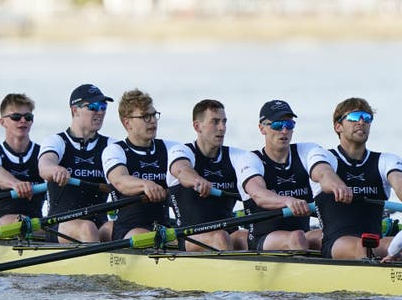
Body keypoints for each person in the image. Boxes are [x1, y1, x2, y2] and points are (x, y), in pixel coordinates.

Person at [315, 97, 402, 259]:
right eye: (355, 118)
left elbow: (399, 180)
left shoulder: (385, 160)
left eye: (367, 118)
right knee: (361, 248)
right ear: (338, 126)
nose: (361, 122)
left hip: (374, 241)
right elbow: (324, 174)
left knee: (401, 246)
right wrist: (338, 187)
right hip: (336, 243)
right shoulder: (324, 157)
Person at [235, 100, 340, 253]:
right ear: (262, 128)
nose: (284, 131)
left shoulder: (306, 151)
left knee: (334, 236)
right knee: (296, 238)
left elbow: (322, 171)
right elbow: (259, 195)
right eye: (277, 125)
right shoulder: (250, 159)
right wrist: (288, 201)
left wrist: (335, 185)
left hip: (302, 235)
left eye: (289, 125)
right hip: (263, 239)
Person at [167, 99, 249, 251]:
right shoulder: (182, 151)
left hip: (228, 233)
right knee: (220, 238)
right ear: (197, 126)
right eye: (215, 122)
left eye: (224, 122)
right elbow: (182, 170)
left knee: (248, 237)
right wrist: (197, 180)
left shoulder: (237, 156)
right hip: (189, 236)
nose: (222, 128)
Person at [37, 84, 115, 243]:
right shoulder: (57, 141)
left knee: (117, 227)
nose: (100, 112)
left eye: (103, 106)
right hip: (59, 225)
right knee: (87, 228)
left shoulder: (111, 146)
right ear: (75, 110)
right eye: (93, 107)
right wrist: (56, 170)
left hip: (99, 224)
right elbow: (44, 166)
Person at [103, 89, 180, 241]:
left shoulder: (170, 148)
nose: (152, 120)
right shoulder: (115, 150)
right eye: (145, 116)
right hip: (128, 230)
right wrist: (145, 185)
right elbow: (120, 180)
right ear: (127, 123)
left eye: (154, 115)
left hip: (165, 228)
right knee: (149, 237)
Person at [0, 93, 47, 231]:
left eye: (28, 117)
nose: (23, 121)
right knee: (21, 222)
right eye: (16, 117)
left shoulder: (43, 155)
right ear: (2, 122)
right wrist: (16, 184)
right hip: (2, 223)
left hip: (37, 222)